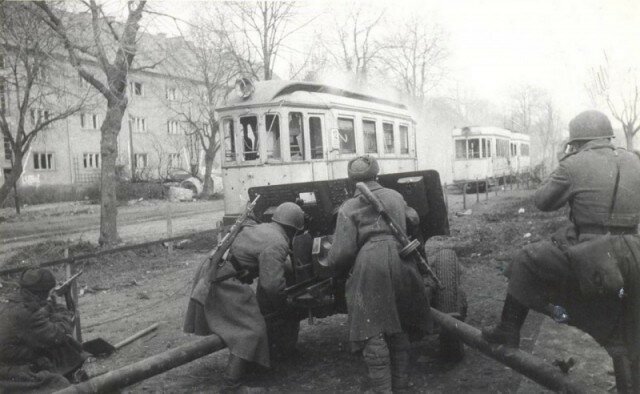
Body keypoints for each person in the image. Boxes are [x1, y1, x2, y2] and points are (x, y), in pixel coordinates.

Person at [482, 110, 640, 378]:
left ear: (576, 141)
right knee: (629, 331)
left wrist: (563, 163)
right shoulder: (635, 160)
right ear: (607, 136)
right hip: (633, 252)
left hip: (594, 254)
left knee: (526, 259)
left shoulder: (573, 164)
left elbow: (543, 202)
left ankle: (508, 330)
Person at [325, 155, 431, 393]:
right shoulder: (395, 196)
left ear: (351, 179)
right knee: (399, 325)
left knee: (372, 331)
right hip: (402, 259)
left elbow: (343, 252)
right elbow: (411, 220)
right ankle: (401, 386)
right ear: (377, 174)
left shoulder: (349, 206)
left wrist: (332, 264)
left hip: (370, 263)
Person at [183, 202, 305, 392]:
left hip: (216, 271)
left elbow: (252, 256)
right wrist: (286, 303)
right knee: (250, 330)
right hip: (222, 280)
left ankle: (248, 364)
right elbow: (271, 286)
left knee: (248, 323)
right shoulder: (278, 242)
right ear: (292, 229)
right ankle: (232, 385)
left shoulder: (262, 228)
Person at [0, 268, 88, 393]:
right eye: (47, 293)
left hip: (12, 360)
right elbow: (58, 335)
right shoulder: (26, 313)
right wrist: (61, 310)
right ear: (40, 294)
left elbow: (36, 317)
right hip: (11, 371)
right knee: (61, 385)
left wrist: (48, 306)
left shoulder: (10, 303)